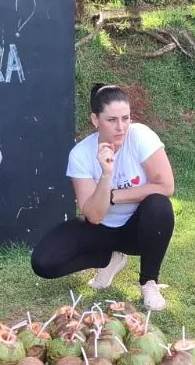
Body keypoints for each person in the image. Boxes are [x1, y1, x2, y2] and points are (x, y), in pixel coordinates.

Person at [30, 84, 175, 312]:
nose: (121, 127)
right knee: (43, 262)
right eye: (112, 120)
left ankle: (149, 282)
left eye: (125, 118)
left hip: (137, 230)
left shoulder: (141, 137)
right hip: (101, 228)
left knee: (159, 205)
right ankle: (108, 260)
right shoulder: (81, 154)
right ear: (95, 120)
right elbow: (94, 216)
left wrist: (113, 195)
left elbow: (166, 185)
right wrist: (106, 175)